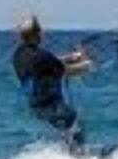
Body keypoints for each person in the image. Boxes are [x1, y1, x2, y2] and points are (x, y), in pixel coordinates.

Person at [12, 14, 95, 148]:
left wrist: (73, 57)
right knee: (72, 119)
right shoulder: (42, 56)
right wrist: (87, 65)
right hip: (50, 104)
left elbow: (51, 63)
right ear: (37, 34)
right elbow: (65, 71)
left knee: (66, 127)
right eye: (40, 31)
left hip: (35, 105)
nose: (41, 34)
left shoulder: (19, 54)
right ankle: (81, 157)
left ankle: (69, 154)